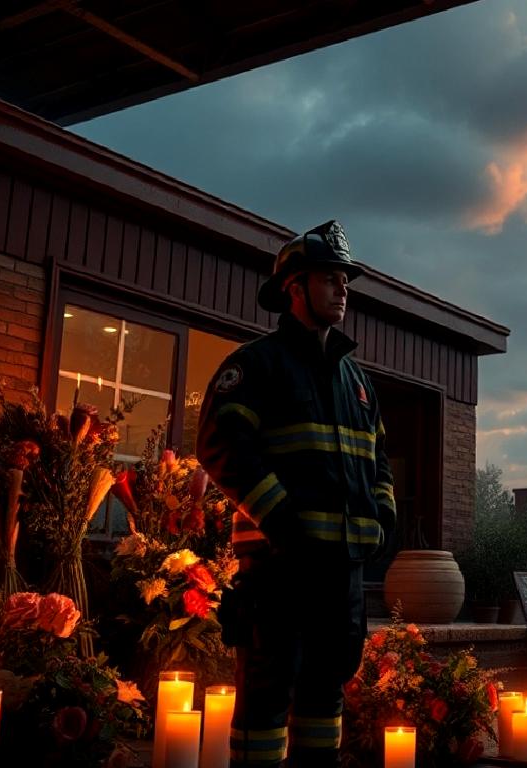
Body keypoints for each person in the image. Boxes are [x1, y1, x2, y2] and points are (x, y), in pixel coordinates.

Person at [197, 220, 396, 768]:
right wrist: (280, 518)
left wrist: (382, 516)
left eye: (345, 280)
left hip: (343, 572)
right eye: (329, 278)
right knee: (265, 699)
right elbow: (220, 446)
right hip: (278, 569)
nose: (342, 289)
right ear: (293, 287)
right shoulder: (254, 366)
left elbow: (379, 459)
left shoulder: (357, 381)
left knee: (325, 696)